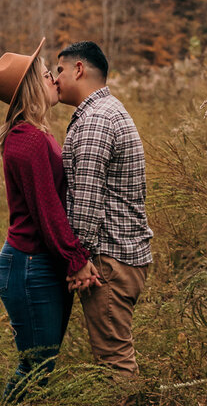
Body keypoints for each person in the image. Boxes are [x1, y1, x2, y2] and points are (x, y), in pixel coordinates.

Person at [0, 38, 100, 400]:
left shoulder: (37, 133)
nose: (54, 78)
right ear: (31, 87)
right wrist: (77, 260)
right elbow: (48, 211)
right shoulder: (28, 140)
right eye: (46, 74)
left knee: (42, 364)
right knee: (36, 365)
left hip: (39, 264)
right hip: (29, 266)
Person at [54, 41, 153, 375]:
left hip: (110, 261)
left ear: (78, 69)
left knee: (115, 361)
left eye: (59, 70)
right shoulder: (108, 110)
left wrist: (77, 260)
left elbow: (86, 202)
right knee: (114, 354)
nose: (55, 80)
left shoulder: (96, 120)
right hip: (122, 255)